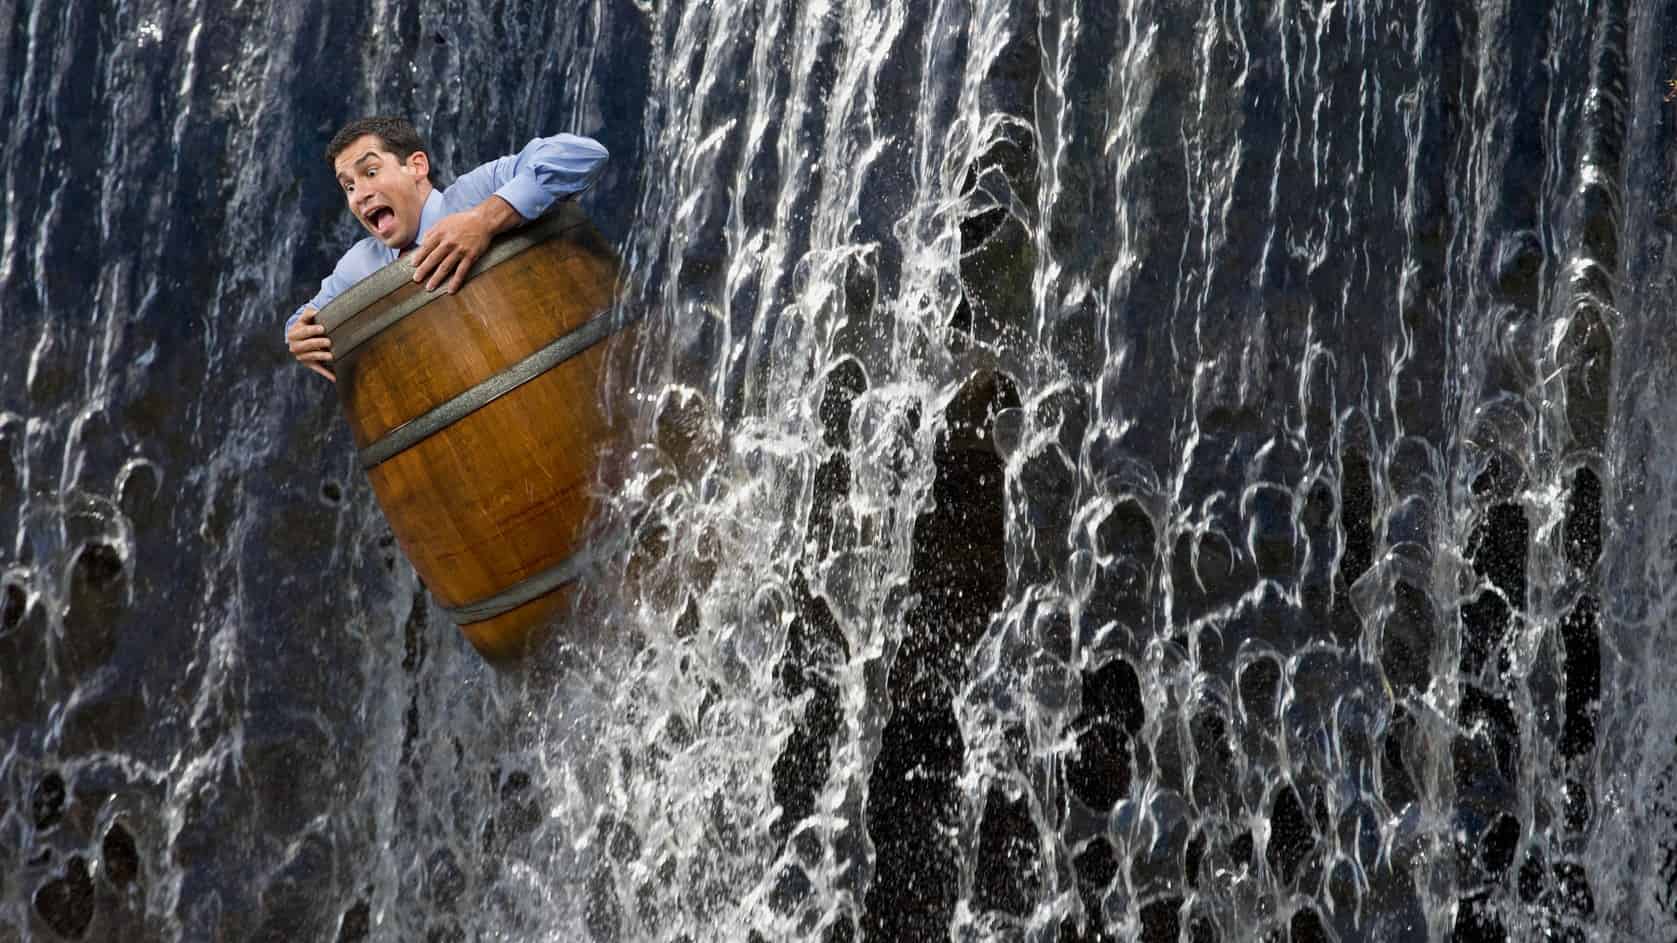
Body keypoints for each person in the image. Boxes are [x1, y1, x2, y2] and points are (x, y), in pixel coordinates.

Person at [286, 116, 608, 381]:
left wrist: (485, 219)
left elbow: (586, 154)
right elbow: (306, 317)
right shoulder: (359, 264)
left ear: (416, 166)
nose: (359, 195)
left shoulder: (476, 192)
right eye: (349, 186)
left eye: (370, 172)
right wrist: (296, 336)